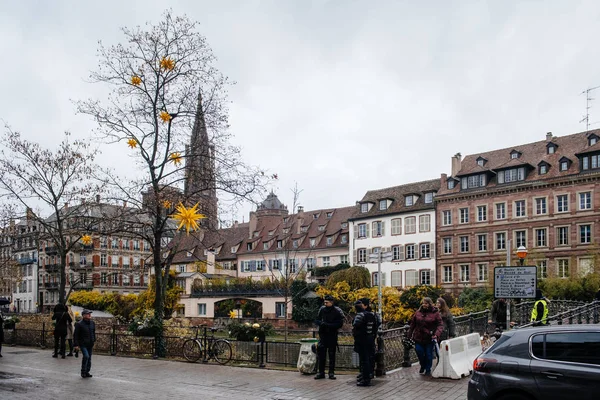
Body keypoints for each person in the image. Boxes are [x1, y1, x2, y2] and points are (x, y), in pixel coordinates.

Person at [407, 297, 443, 376]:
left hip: (430, 337)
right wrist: (409, 334)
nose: (424, 305)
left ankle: (428, 369)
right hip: (418, 337)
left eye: (426, 303)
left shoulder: (435, 313)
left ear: (430, 304)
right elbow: (413, 324)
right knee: (419, 351)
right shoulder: (418, 312)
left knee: (428, 354)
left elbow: (440, 325)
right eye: (423, 303)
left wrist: (436, 334)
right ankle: (422, 365)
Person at [314, 295, 344, 380]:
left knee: (331, 355)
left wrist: (329, 325)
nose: (325, 304)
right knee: (321, 355)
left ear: (331, 302)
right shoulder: (322, 310)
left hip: (332, 335)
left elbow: (339, 324)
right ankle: (321, 372)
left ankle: (331, 372)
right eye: (324, 302)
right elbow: (317, 320)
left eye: (327, 302)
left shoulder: (337, 311)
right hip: (323, 335)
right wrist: (321, 324)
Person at [352, 299, 377, 387]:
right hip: (370, 339)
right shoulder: (371, 315)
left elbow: (356, 326)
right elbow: (375, 326)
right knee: (368, 359)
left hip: (362, 340)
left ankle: (365, 379)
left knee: (364, 360)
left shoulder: (360, 315)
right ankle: (367, 375)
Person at [73, 309, 96, 378]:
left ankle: (87, 372)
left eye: (90, 314)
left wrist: (94, 339)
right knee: (86, 356)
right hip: (83, 344)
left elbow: (93, 332)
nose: (89, 315)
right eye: (88, 314)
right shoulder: (79, 324)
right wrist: (76, 345)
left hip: (90, 343)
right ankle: (83, 371)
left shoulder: (92, 323)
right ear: (84, 315)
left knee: (89, 358)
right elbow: (75, 335)